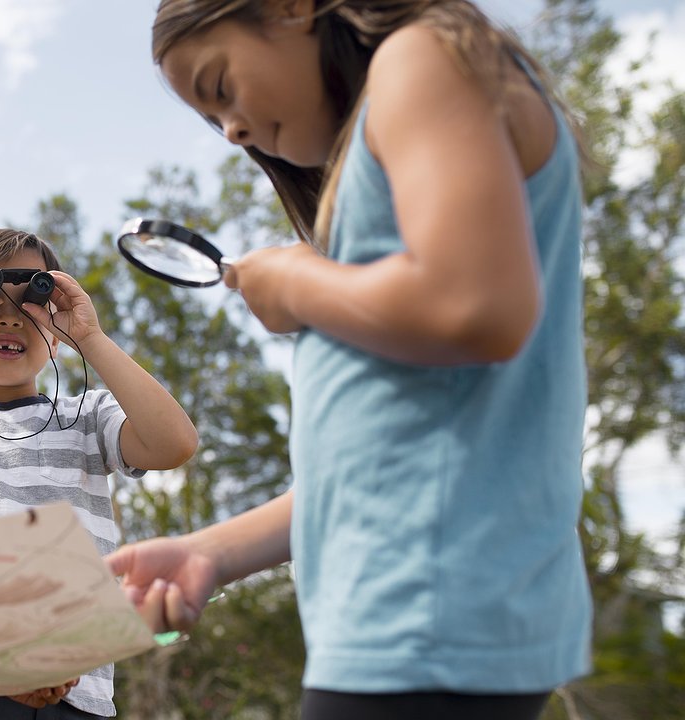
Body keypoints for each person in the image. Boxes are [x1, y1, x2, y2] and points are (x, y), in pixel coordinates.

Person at [106, 2, 592, 719]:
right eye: (213, 124)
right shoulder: (408, 99)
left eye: (220, 87)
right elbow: (381, 462)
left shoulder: (419, 55)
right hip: (415, 621)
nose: (233, 130)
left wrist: (299, 282)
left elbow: (477, 308)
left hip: (426, 613)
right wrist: (210, 552)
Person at [0, 228, 199, 719]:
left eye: (31, 297)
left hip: (77, 692)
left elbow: (175, 444)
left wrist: (88, 336)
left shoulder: (88, 417)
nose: (8, 316)